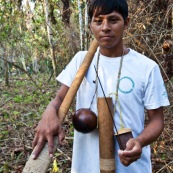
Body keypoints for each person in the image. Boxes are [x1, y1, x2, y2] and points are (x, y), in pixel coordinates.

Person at [32, 0, 170, 172]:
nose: (105, 27)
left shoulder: (147, 67)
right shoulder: (80, 61)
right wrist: (49, 112)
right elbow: (60, 99)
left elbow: (157, 120)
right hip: (86, 167)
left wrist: (140, 141)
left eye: (113, 20)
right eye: (98, 21)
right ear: (90, 25)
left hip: (132, 168)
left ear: (126, 23)